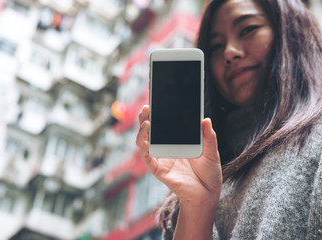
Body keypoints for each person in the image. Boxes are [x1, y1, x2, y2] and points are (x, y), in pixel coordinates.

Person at [135, 0, 322, 239]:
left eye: (247, 29)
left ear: (292, 32)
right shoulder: (201, 172)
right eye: (215, 47)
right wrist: (197, 204)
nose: (229, 52)